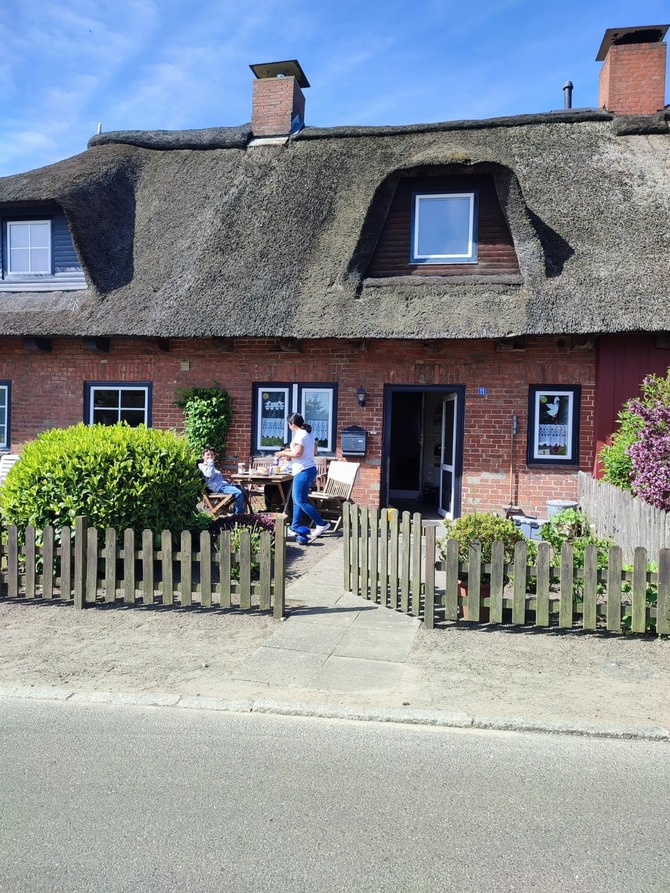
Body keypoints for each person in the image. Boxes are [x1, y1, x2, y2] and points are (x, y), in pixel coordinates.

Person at [276, 413, 331, 540]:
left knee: (300, 500)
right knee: (297, 500)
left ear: (292, 424)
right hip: (308, 469)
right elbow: (315, 451)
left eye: (288, 424)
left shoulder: (300, 435)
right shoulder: (309, 434)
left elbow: (297, 453)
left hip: (303, 470)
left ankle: (321, 524)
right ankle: (294, 527)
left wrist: (283, 452)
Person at [198, 447, 246, 514]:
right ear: (203, 456)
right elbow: (209, 474)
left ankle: (237, 511)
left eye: (212, 455)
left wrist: (225, 480)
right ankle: (237, 516)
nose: (210, 456)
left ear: (214, 456)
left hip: (224, 485)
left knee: (245, 490)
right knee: (239, 493)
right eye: (208, 455)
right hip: (218, 488)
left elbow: (215, 478)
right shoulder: (202, 466)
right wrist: (210, 462)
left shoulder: (211, 466)